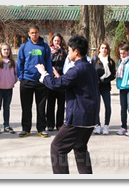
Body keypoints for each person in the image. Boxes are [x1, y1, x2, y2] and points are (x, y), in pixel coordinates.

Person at [35, 35, 100, 174]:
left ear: (76, 51)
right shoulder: (89, 68)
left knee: (57, 147)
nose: (68, 53)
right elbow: (76, 85)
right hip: (90, 117)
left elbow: (55, 85)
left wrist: (43, 73)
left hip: (77, 117)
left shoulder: (76, 69)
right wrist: (61, 78)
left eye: (69, 50)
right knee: (80, 147)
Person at [17, 24, 52, 138]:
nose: (34, 34)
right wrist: (21, 77)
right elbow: (20, 63)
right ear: (29, 34)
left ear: (39, 33)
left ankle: (41, 128)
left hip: (41, 81)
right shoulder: (24, 47)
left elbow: (48, 63)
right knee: (26, 107)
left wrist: (48, 76)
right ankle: (25, 129)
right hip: (27, 80)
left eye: (36, 32)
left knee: (41, 107)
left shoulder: (45, 47)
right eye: (32, 33)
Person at [0, 43, 18, 134]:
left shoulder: (13, 62)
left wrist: (13, 81)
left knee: (6, 107)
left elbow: (16, 74)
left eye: (8, 49)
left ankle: (6, 125)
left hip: (8, 88)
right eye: (4, 49)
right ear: (0, 51)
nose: (6, 51)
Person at [92, 42, 116, 135]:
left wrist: (105, 80)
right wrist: (98, 80)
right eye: (102, 48)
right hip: (96, 86)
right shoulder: (95, 60)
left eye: (106, 48)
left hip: (106, 86)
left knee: (107, 106)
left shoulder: (111, 61)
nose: (104, 49)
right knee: (96, 106)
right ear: (99, 49)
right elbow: (92, 72)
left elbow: (113, 74)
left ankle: (106, 125)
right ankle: (97, 125)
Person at [115, 42, 129, 136]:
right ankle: (123, 126)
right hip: (122, 87)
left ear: (128, 52)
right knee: (122, 108)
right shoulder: (121, 62)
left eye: (124, 53)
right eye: (121, 53)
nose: (122, 55)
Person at [47, 33, 68, 131]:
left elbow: (67, 63)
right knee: (50, 103)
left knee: (61, 103)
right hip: (52, 79)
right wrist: (51, 53)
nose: (56, 43)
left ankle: (59, 124)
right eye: (55, 41)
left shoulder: (64, 52)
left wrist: (61, 51)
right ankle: (50, 124)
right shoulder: (49, 51)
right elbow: (47, 63)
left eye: (58, 41)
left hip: (61, 79)